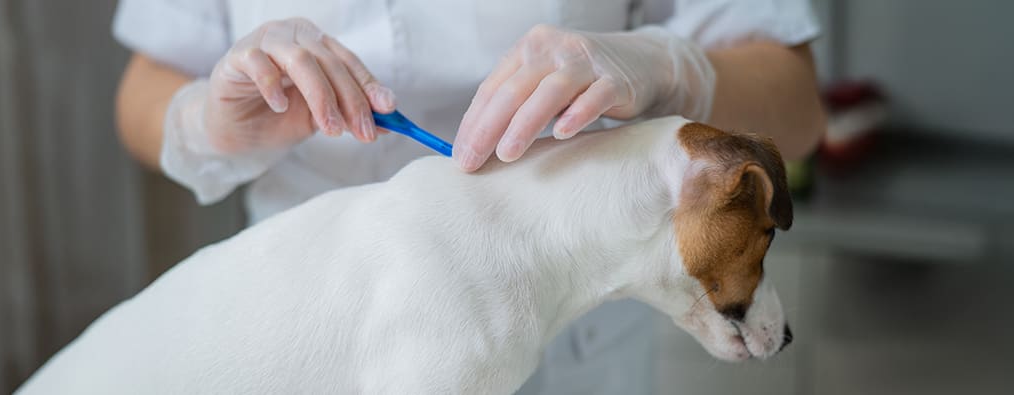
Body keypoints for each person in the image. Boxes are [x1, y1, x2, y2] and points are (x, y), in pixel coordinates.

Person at [112, 1, 825, 393]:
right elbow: (144, 86)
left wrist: (676, 67)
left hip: (581, 350)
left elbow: (798, 102)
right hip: (293, 339)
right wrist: (204, 121)